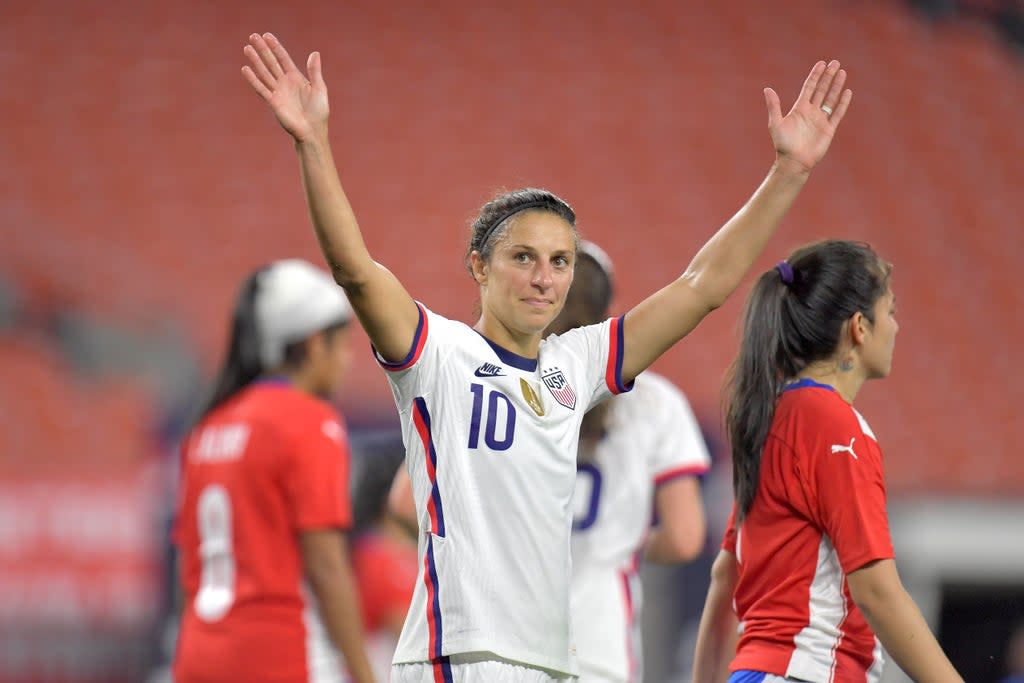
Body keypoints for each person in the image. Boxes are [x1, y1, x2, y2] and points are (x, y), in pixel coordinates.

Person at [241, 31, 852, 682]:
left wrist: (788, 173)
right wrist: (314, 144)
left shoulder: (578, 363)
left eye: (559, 261)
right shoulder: (437, 353)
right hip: (457, 656)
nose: (543, 278)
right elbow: (356, 272)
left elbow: (701, 288)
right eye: (523, 257)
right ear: (479, 265)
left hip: (551, 665)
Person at [690, 241, 963, 683]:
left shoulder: (770, 416)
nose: (896, 326)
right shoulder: (836, 427)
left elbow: (727, 575)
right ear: (859, 327)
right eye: (890, 310)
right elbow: (876, 590)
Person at [172, 259, 376, 683]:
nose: (348, 360)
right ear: (316, 343)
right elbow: (326, 565)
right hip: (274, 654)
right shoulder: (308, 420)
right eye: (342, 344)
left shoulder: (207, 428)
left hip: (196, 653)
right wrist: (364, 673)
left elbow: (185, 563)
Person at [546, 240, 711, 683]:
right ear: (610, 311)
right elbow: (684, 537)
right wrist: (625, 540)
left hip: (502, 635)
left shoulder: (499, 386)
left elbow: (409, 506)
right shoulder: (656, 402)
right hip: (599, 641)